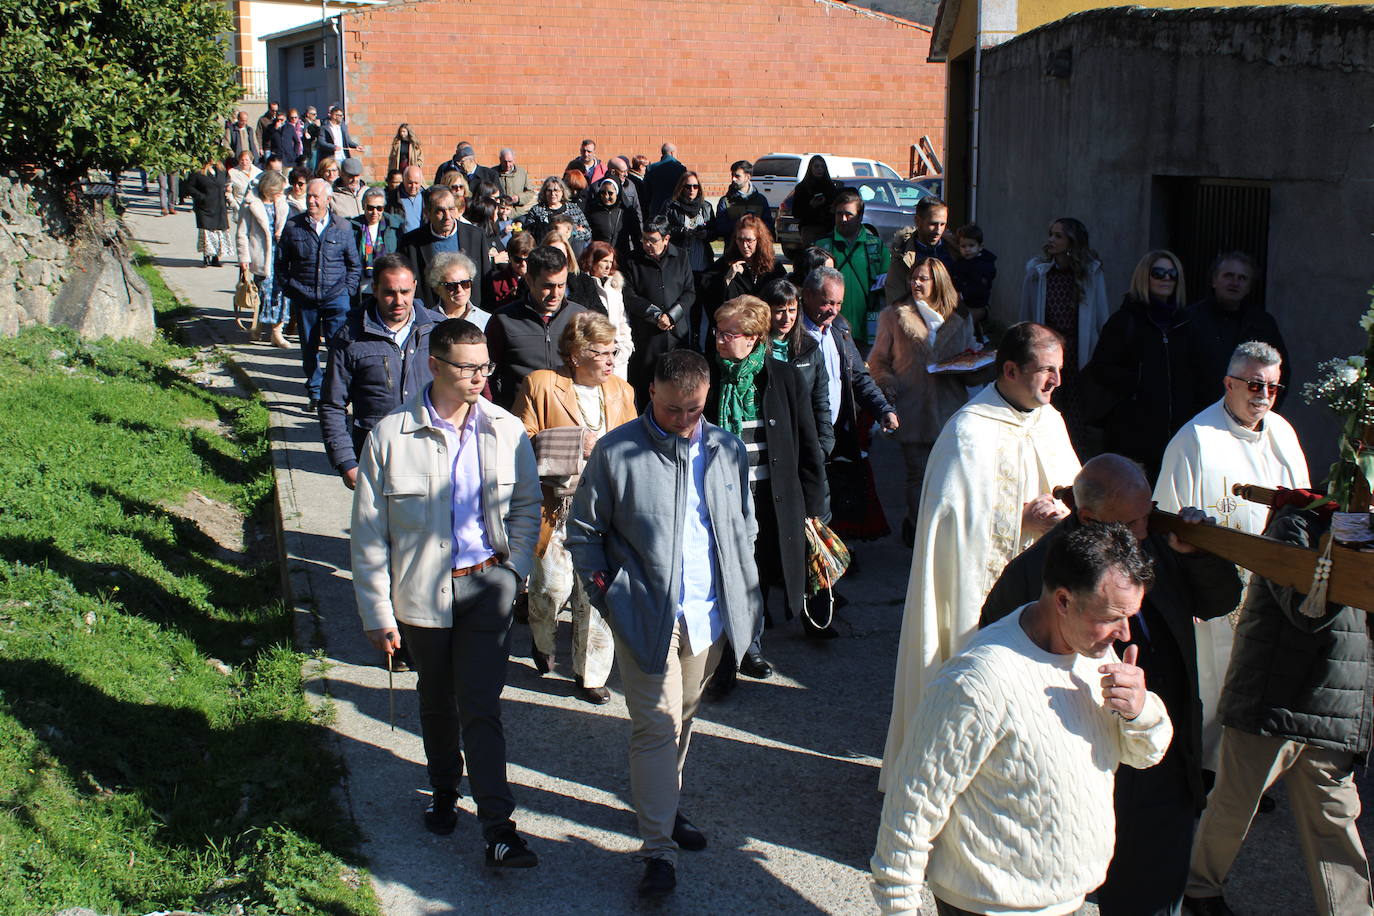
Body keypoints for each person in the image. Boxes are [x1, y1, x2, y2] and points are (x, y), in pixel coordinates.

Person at [981, 455, 1242, 916]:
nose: (1144, 527)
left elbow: (1221, 599)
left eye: (1149, 512)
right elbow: (996, 666)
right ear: (1088, 519)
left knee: (1153, 899)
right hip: (1078, 762)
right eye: (1131, 521)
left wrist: (1198, 552)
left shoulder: (1158, 543)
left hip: (1160, 760)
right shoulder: (1033, 574)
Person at [872, 523, 1173, 916]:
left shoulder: (1094, 652)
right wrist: (899, 907)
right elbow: (913, 804)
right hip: (990, 905)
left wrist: (1140, 711)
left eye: (1131, 615)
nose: (1124, 632)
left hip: (1066, 899)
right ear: (1063, 600)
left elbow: (1143, 756)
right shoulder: (979, 682)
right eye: (1113, 616)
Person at [566, 348, 764, 900]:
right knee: (656, 725)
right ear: (650, 391)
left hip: (710, 617)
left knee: (683, 717)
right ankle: (658, 851)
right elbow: (583, 533)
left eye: (694, 411)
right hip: (648, 615)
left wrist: (742, 597)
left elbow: (745, 526)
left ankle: (664, 807)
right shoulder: (618, 451)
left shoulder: (725, 448)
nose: (683, 421)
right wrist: (611, 596)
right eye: (674, 409)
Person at [350, 316, 541, 869]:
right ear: (434, 365)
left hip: (486, 586)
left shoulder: (505, 430)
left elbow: (527, 506)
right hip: (420, 596)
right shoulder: (390, 436)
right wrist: (377, 613)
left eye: (485, 366)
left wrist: (515, 571)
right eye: (467, 367)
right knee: (437, 701)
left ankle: (499, 828)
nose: (479, 376)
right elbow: (369, 533)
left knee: (481, 706)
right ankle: (442, 788)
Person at [880, 321, 1081, 790]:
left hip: (1044, 592)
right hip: (981, 599)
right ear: (1010, 370)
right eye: (1045, 371)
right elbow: (949, 526)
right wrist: (1021, 522)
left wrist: (1065, 510)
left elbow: (1078, 490)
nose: (1056, 382)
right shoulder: (968, 432)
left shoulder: (1050, 421)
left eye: (1059, 370)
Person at [1183, 499, 1374, 916]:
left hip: (1335, 708)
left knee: (1335, 820)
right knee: (1234, 805)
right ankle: (1197, 892)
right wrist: (1349, 552)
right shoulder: (1296, 525)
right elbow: (1306, 610)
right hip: (1271, 702)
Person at [1154, 340, 1309, 775]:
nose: (1263, 396)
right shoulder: (1195, 440)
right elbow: (1167, 522)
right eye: (1255, 385)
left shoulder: (1283, 435)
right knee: (1216, 685)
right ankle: (1208, 775)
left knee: (1267, 683)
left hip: (1272, 593)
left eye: (1273, 388)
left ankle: (1249, 777)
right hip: (1216, 598)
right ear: (1229, 383)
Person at [703, 296, 827, 697]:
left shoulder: (784, 378)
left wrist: (815, 506)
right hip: (718, 498)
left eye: (729, 334)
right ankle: (726, 659)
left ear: (755, 338)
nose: (720, 340)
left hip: (769, 498)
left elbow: (807, 444)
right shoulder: (706, 377)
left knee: (755, 578)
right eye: (718, 332)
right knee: (723, 576)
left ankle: (750, 646)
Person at [512, 313, 637, 704]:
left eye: (614, 351)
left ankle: (590, 675)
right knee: (552, 589)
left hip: (601, 512)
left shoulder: (621, 391)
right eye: (601, 353)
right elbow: (518, 446)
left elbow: (635, 445)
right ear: (577, 354)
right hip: (555, 508)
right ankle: (543, 639)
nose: (610, 360)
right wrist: (573, 443)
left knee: (597, 594)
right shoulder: (541, 385)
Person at [868, 255, 975, 542]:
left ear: (938, 282)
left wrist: (971, 366)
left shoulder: (959, 316)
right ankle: (918, 529)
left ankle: (941, 530)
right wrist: (888, 385)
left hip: (949, 408)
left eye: (923, 278)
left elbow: (971, 355)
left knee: (947, 475)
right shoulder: (894, 315)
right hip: (912, 407)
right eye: (913, 278)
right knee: (918, 473)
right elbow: (878, 361)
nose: (915, 283)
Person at [321, 253, 440, 492]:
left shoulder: (436, 330)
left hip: (432, 457)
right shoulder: (350, 338)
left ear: (415, 287)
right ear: (374, 289)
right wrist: (346, 462)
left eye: (405, 292)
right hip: (376, 459)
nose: (399, 300)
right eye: (389, 292)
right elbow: (332, 404)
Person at [800, 266, 897, 549]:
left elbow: (859, 378)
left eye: (838, 303)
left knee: (839, 502)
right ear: (806, 295)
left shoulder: (839, 330)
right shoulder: (792, 335)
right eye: (827, 302)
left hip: (839, 432)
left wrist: (883, 410)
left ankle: (833, 561)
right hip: (806, 436)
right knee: (812, 505)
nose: (833, 310)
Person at [1085, 249, 1194, 481]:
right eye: (1158, 273)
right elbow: (1100, 368)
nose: (1166, 279)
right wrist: (1139, 383)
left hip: (1176, 433)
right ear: (1145, 276)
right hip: (1133, 433)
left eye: (1172, 274)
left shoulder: (1185, 323)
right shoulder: (1125, 320)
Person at [1019, 216, 1111, 450]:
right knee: (1047, 406)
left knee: (1077, 414)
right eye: (1050, 234)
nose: (1051, 240)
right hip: (1048, 352)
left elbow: (1101, 317)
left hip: (1079, 354)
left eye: (1058, 235)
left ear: (1072, 241)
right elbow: (1027, 315)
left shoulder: (1091, 272)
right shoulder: (1039, 273)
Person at [276, 179, 362, 409]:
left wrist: (347, 290)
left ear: (327, 199)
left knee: (338, 346)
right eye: (309, 197)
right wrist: (291, 289)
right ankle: (315, 390)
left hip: (336, 297)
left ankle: (335, 391)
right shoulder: (293, 226)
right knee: (309, 347)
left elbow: (354, 265)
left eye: (316, 197)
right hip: (305, 298)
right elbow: (281, 263)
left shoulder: (342, 227)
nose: (312, 201)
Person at [1185, 251, 1290, 418]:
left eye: (1242, 278)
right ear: (1214, 280)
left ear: (1249, 286)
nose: (1235, 283)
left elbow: (1281, 371)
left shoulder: (1262, 323)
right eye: (1228, 276)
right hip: (1198, 416)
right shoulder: (1189, 320)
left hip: (1248, 418)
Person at [485, 245, 588, 407]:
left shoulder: (581, 317)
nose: (556, 294)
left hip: (571, 416)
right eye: (548, 286)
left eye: (561, 285)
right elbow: (487, 374)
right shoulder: (503, 320)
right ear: (529, 280)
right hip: (520, 419)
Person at [623, 216, 695, 406]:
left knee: (677, 384)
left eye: (652, 240)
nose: (647, 244)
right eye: (644, 239)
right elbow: (630, 296)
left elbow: (689, 292)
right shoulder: (632, 260)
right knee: (648, 386)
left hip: (676, 333)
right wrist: (656, 316)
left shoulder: (681, 257)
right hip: (647, 337)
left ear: (666, 239)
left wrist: (672, 316)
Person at [763, 277, 833, 456]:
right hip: (770, 442)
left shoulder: (809, 348)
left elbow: (821, 401)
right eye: (779, 311)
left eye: (792, 310)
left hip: (805, 442)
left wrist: (825, 444)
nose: (787, 318)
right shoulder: (756, 351)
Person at [399, 185, 493, 313]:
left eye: (451, 209)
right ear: (427, 213)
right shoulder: (410, 243)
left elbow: (486, 281)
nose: (447, 216)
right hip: (430, 317)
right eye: (440, 211)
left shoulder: (475, 235)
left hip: (471, 315)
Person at [816, 189, 889, 347]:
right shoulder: (822, 246)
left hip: (868, 329)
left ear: (860, 216)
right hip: (830, 328)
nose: (843, 219)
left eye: (849, 214)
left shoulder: (876, 246)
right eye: (839, 214)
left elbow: (887, 288)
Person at [236, 170, 291, 347]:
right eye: (278, 190)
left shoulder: (281, 202)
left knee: (281, 293)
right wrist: (243, 258)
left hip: (281, 254)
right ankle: (258, 327)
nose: (281, 193)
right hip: (261, 256)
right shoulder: (251, 204)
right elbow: (242, 233)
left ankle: (276, 331)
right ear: (269, 188)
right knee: (264, 294)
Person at [706, 214, 786, 322]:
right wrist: (727, 279)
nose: (744, 245)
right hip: (736, 325)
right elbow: (708, 291)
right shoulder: (726, 263)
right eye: (740, 240)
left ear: (759, 240)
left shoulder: (773, 267)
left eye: (749, 240)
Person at [577, 241, 634, 380]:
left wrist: (626, 346)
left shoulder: (615, 286)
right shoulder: (582, 285)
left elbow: (622, 319)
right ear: (593, 260)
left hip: (618, 355)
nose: (608, 265)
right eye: (604, 261)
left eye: (611, 261)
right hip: (595, 356)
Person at [884, 196, 954, 308]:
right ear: (917, 221)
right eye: (933, 224)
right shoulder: (902, 258)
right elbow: (896, 302)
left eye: (942, 224)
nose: (938, 231)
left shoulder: (956, 253)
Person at [663, 170, 716, 279]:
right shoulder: (671, 205)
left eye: (695, 186)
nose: (692, 190)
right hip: (678, 258)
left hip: (702, 260)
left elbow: (715, 231)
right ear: (681, 187)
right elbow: (662, 229)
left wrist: (706, 234)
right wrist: (682, 231)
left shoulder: (706, 206)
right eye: (688, 186)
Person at [352, 187, 403, 297]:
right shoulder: (353, 227)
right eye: (370, 208)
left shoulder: (394, 226)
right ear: (363, 206)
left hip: (387, 284)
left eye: (379, 208)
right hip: (361, 285)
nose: (375, 212)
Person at [948, 223, 997, 330]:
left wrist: (962, 294)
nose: (967, 250)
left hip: (976, 304)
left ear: (980, 247)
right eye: (963, 246)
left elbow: (980, 287)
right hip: (960, 303)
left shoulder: (984, 265)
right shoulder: (960, 262)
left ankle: (976, 338)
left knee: (965, 325)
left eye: (971, 246)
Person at [186, 156, 231, 268]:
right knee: (207, 232)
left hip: (219, 206)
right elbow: (190, 187)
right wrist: (201, 197)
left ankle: (216, 257)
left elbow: (225, 184)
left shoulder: (221, 170)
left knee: (218, 232)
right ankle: (206, 256)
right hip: (205, 207)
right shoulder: (198, 172)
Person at [425, 251, 489, 329]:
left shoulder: (487, 320)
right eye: (451, 286)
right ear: (437, 288)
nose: (459, 290)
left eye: (465, 283)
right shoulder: (426, 322)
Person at [521, 176, 591, 248]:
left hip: (572, 247)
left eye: (556, 190)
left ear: (562, 192)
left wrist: (572, 233)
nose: (553, 194)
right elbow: (528, 233)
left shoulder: (574, 208)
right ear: (544, 192)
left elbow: (587, 232)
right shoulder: (536, 210)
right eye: (549, 190)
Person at [789, 156, 838, 256]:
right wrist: (811, 206)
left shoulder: (830, 187)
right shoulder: (802, 187)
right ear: (810, 168)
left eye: (822, 167)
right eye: (816, 166)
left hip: (828, 229)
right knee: (811, 258)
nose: (819, 169)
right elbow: (796, 212)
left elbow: (835, 209)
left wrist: (826, 203)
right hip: (809, 229)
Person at [713, 160, 773, 238]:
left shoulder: (761, 200)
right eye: (732, 175)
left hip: (755, 248)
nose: (733, 179)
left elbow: (769, 226)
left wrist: (753, 223)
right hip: (733, 248)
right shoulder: (725, 201)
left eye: (737, 176)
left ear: (748, 177)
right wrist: (740, 222)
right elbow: (720, 229)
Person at [584, 178, 638, 259]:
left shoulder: (626, 212)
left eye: (610, 193)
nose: (606, 196)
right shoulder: (592, 211)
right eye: (603, 192)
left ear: (617, 193)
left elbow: (636, 236)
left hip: (622, 258)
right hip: (600, 257)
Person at [227, 149, 261, 261]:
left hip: (254, 206)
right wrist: (233, 203)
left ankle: (252, 256)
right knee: (242, 233)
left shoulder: (258, 172)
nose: (244, 162)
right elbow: (228, 191)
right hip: (239, 205)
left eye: (247, 159)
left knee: (254, 233)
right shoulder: (232, 172)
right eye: (242, 159)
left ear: (251, 160)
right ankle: (242, 257)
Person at [489, 233, 534, 310]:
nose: (523, 264)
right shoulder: (496, 282)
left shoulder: (539, 279)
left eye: (527, 259)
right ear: (510, 258)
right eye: (518, 260)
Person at [643, 142, 686, 217]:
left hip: (655, 209)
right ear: (672, 153)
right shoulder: (681, 168)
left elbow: (647, 192)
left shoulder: (651, 168)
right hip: (674, 209)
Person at [494, 148, 537, 215]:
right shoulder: (492, 173)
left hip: (518, 214)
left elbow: (530, 192)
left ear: (514, 159)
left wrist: (519, 198)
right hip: (498, 213)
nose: (507, 165)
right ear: (500, 160)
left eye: (510, 161)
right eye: (505, 162)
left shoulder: (522, 173)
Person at [386, 165, 427, 232]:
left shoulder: (426, 197)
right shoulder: (393, 198)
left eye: (416, 183)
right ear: (404, 180)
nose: (413, 186)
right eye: (410, 183)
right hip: (401, 239)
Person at [604, 156, 643, 224]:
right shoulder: (598, 187)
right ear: (613, 172)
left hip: (627, 227)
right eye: (623, 172)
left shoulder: (630, 186)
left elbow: (637, 209)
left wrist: (639, 228)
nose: (626, 174)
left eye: (627, 171)